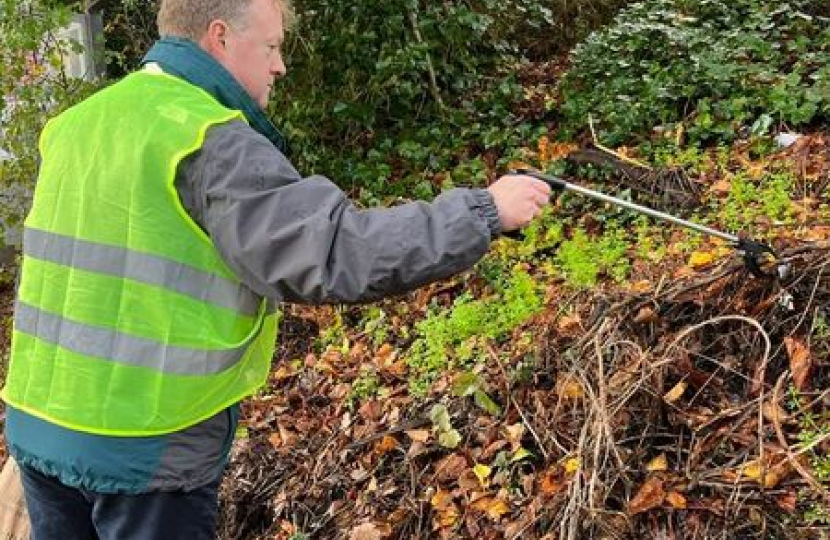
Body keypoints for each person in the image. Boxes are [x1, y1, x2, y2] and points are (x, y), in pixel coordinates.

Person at [0, 0, 552, 538]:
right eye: (271, 46)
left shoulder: (77, 124)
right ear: (219, 37)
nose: (279, 65)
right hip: (142, 446)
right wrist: (484, 211)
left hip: (40, 426)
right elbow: (335, 252)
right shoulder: (206, 138)